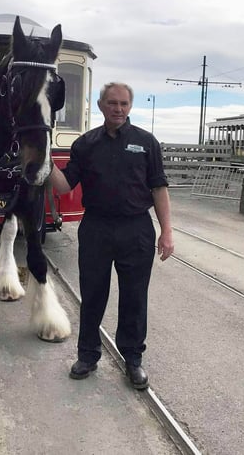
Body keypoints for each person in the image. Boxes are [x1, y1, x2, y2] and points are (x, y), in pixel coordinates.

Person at [49, 82, 174, 390]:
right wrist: (44, 162)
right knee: (92, 295)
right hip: (97, 228)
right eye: (112, 103)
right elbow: (64, 186)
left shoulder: (147, 143)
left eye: (124, 104)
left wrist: (166, 231)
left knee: (134, 298)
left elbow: (159, 188)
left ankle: (133, 359)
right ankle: (88, 355)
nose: (118, 109)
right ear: (101, 105)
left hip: (137, 230)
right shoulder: (85, 144)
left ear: (130, 107)